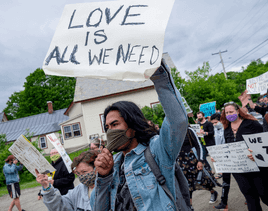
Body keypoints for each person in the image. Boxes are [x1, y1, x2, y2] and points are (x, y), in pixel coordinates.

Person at [90, 64, 188, 211]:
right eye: (107, 127)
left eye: (115, 124)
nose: (110, 131)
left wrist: (159, 76)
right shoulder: (113, 165)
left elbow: (178, 120)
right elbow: (97, 208)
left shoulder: (156, 151)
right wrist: (104, 177)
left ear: (132, 125)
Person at [221, 101, 268, 211]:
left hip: (257, 168)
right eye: (226, 113)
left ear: (237, 111)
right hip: (240, 171)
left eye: (231, 111)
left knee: (265, 195)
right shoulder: (226, 128)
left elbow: (264, 143)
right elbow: (228, 148)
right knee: (250, 198)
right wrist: (219, 158)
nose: (229, 114)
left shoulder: (251, 123)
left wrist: (256, 152)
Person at [177, 126, 219, 209]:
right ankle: (190, 207)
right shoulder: (172, 133)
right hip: (181, 163)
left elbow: (198, 146)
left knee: (202, 180)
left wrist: (200, 160)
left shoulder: (189, 130)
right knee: (187, 185)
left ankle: (213, 192)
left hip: (193, 161)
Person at [210, 113, 230, 210]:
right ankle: (224, 202)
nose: (214, 125)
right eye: (213, 123)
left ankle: (250, 197)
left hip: (233, 157)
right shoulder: (216, 129)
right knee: (225, 182)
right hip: (223, 158)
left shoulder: (228, 128)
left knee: (242, 181)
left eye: (216, 122)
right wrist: (215, 155)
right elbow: (217, 144)